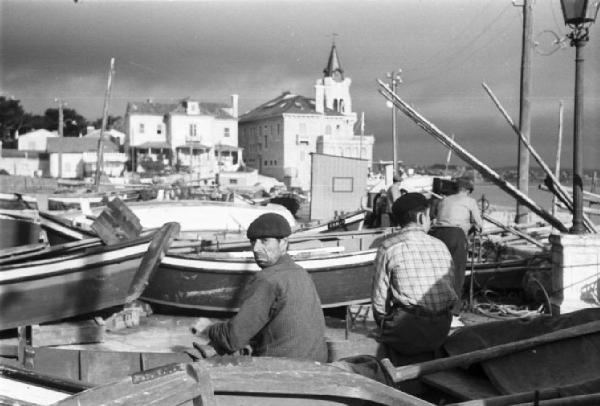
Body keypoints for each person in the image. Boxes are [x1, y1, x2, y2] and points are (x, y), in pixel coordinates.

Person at [194, 212, 328, 362]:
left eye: (264, 241)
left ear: (283, 243)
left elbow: (233, 338)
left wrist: (208, 329)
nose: (256, 248)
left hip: (280, 371)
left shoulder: (268, 279)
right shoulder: (301, 273)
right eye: (253, 241)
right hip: (315, 365)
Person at [371, 193, 458, 357]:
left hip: (408, 329)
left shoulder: (388, 247)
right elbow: (450, 287)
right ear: (420, 217)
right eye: (429, 215)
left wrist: (383, 322)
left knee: (382, 331)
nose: (431, 220)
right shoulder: (441, 245)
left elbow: (379, 302)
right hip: (441, 328)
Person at [429, 177, 483, 300]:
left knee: (438, 271)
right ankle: (454, 310)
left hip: (438, 234)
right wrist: (475, 227)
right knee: (457, 273)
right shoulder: (470, 201)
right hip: (455, 234)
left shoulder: (444, 200)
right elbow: (479, 224)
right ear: (468, 190)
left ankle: (437, 302)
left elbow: (437, 216)